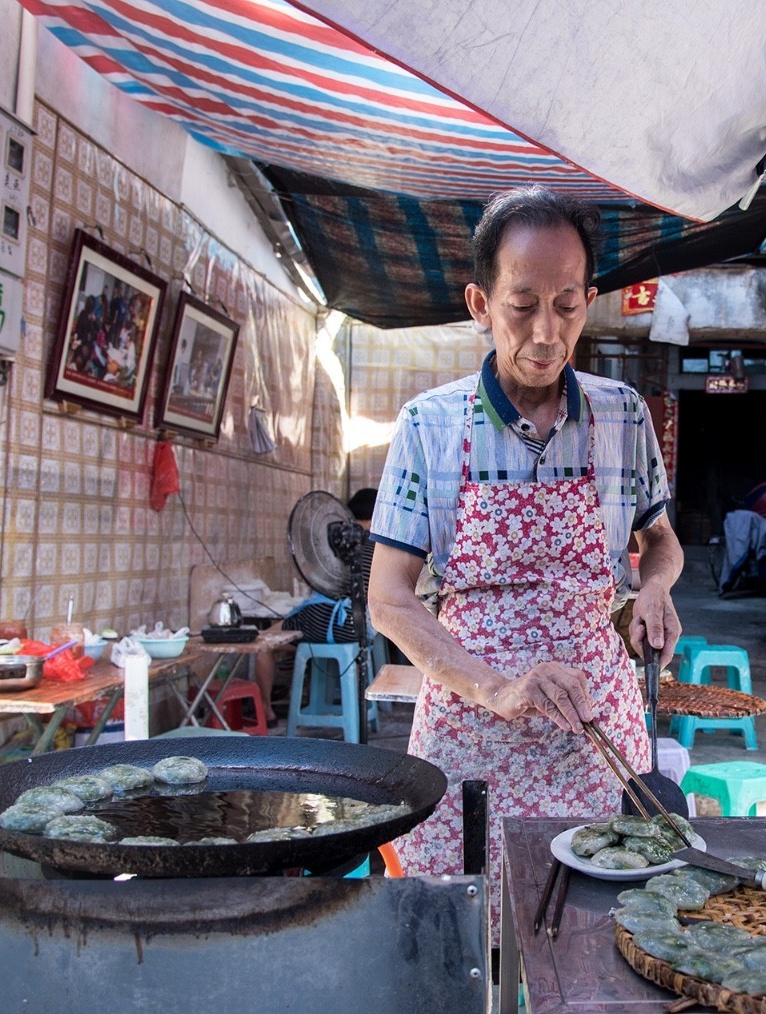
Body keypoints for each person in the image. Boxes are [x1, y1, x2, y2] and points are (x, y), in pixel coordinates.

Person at [368, 186, 682, 933]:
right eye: (522, 305)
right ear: (480, 303)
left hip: (594, 728)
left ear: (590, 300)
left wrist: (655, 587)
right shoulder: (430, 426)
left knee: (594, 933)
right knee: (468, 942)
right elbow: (390, 599)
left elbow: (661, 540)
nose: (547, 332)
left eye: (567, 305)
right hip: (470, 727)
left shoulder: (624, 415)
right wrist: (499, 687)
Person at [270, 488, 379, 723]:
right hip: (366, 628)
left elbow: (326, 584)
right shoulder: (382, 545)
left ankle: (267, 714)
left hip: (336, 621)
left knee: (265, 642)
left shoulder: (342, 540)